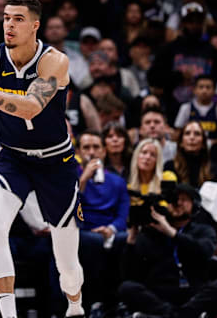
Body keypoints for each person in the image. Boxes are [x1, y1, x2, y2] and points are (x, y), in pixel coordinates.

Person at [0, 0, 84, 318]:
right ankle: (8, 314)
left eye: (18, 19)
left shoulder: (54, 61)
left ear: (35, 25)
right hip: (12, 157)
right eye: (6, 17)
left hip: (55, 161)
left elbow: (31, 107)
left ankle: (75, 305)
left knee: (67, 260)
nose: (9, 24)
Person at [119, 183, 217, 317]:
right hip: (160, 293)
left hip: (193, 292)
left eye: (183, 199)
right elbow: (130, 274)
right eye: (173, 200)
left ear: (194, 205)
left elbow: (204, 252)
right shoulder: (151, 232)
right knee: (127, 288)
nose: (178, 203)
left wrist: (173, 233)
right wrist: (131, 241)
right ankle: (177, 316)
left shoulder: (203, 230)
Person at [75, 130, 130, 312]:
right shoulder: (71, 178)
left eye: (96, 147)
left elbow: (123, 215)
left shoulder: (117, 181)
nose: (92, 152)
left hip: (109, 232)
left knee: (124, 239)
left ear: (104, 151)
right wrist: (82, 181)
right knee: (92, 242)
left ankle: (118, 302)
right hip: (82, 231)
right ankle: (93, 302)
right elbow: (70, 213)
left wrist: (111, 229)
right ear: (79, 152)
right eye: (86, 147)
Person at [165, 121, 212, 189]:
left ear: (203, 144)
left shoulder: (213, 169)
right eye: (187, 133)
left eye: (197, 134)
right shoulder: (170, 167)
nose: (192, 137)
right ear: (181, 142)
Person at [175, 75, 217, 145]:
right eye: (201, 87)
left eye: (208, 87)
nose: (204, 90)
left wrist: (211, 143)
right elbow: (178, 132)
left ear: (214, 91)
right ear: (194, 90)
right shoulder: (186, 108)